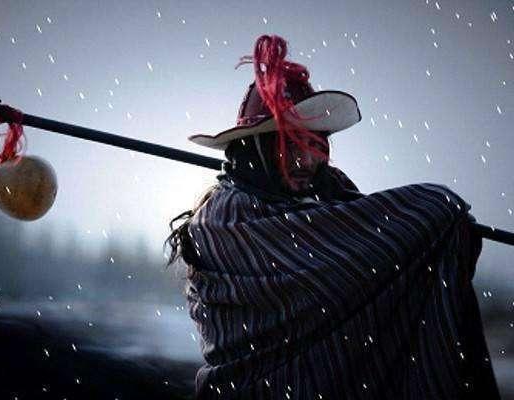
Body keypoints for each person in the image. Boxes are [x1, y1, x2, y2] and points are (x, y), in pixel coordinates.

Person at [164, 34, 500, 399]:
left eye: (315, 145)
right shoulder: (228, 218)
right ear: (256, 148)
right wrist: (438, 220)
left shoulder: (329, 198)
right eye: (292, 146)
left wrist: (440, 235)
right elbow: (414, 220)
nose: (307, 161)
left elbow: (378, 244)